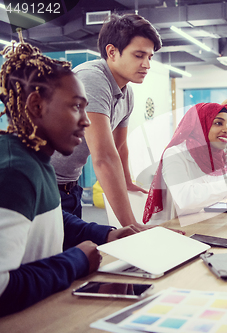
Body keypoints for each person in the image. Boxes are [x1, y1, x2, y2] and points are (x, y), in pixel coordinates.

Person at [0, 35, 140, 317]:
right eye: (76, 106)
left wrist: (106, 234)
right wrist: (75, 261)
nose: (86, 120)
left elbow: (51, 218)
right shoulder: (15, 171)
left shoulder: (35, 160)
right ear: (37, 106)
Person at [50, 13, 162, 227]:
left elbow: (119, 147)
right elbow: (103, 158)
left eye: (150, 57)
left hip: (70, 186)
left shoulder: (126, 93)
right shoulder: (91, 78)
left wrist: (127, 181)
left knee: (72, 250)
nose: (147, 64)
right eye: (139, 55)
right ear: (112, 52)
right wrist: (131, 224)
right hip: (42, 184)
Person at [143, 103, 227, 224]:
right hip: (167, 229)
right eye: (219, 123)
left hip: (195, 225)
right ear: (200, 125)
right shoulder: (175, 154)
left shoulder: (219, 156)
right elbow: (185, 198)